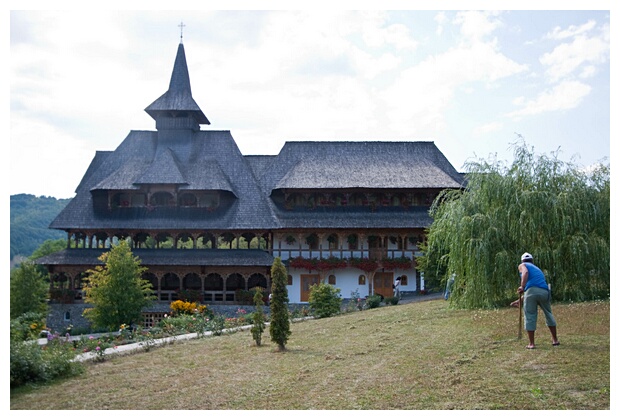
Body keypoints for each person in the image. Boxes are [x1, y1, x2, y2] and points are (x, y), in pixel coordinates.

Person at [512, 252, 560, 349]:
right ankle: (555, 340)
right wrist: (520, 300)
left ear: (522, 261)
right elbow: (535, 288)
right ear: (532, 261)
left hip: (531, 292)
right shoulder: (537, 269)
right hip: (544, 292)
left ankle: (531, 343)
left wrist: (522, 286)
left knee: (530, 315)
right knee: (548, 313)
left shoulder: (522, 265)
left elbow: (526, 274)